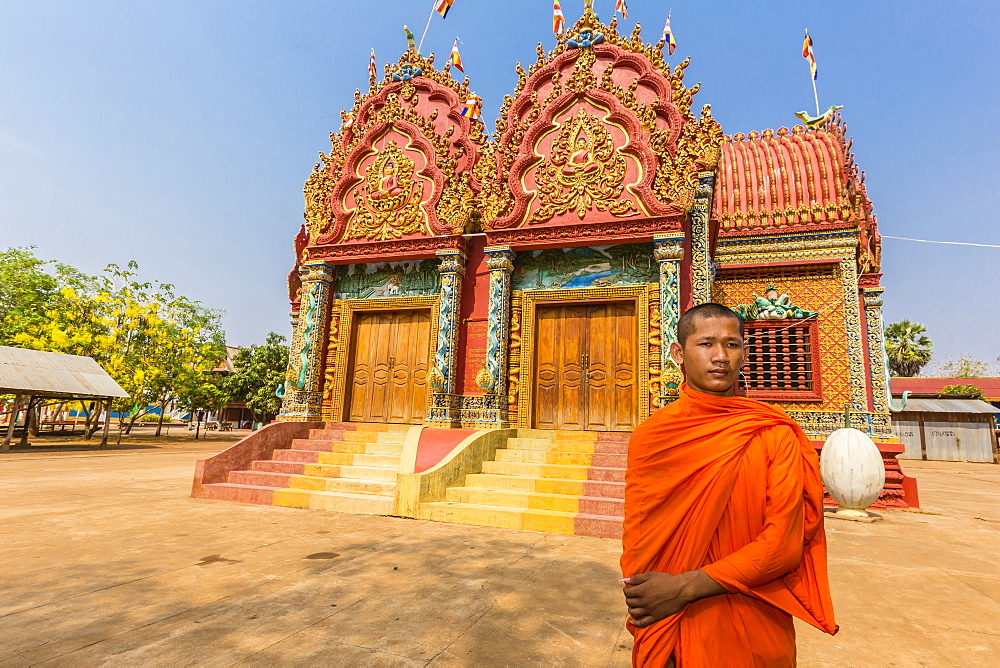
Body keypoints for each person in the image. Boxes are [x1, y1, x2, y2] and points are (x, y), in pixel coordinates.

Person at [621, 303, 837, 667]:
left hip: (755, 616)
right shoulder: (653, 437)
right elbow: (641, 546)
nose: (720, 356)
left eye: (732, 345)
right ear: (678, 353)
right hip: (673, 624)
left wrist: (683, 588)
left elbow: (782, 546)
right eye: (706, 344)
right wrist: (657, 619)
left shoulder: (773, 433)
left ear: (744, 352)